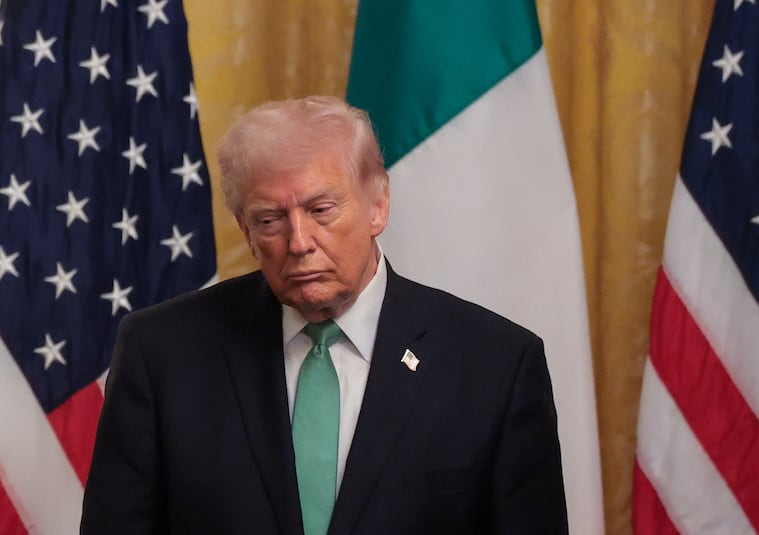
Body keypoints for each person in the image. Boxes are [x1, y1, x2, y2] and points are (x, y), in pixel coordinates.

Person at [81, 96, 568, 534]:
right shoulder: (162, 352)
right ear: (246, 232)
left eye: (321, 209)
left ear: (378, 206)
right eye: (269, 220)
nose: (298, 242)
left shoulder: (495, 365)